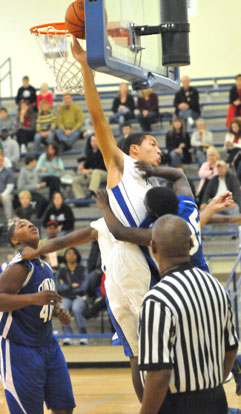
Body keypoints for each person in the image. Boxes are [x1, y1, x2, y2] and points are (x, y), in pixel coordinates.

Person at [138, 214, 238, 414]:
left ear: (153, 247)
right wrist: (212, 383)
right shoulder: (216, 286)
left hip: (177, 405)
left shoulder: (157, 299)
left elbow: (159, 373)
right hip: (217, 399)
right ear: (192, 243)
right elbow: (231, 347)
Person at [0, 219, 75, 413]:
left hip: (48, 345)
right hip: (20, 349)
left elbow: (45, 297)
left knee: (64, 407)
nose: (31, 225)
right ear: (14, 239)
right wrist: (33, 298)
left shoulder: (44, 266)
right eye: (22, 225)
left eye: (31, 223)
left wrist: (58, 310)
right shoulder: (19, 267)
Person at [56, 247, 88, 346]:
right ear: (65, 256)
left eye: (74, 253)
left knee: (76, 308)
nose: (71, 255)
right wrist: (72, 285)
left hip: (79, 296)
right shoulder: (61, 271)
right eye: (69, 253)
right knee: (62, 308)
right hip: (66, 297)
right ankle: (68, 335)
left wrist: (67, 286)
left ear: (77, 255)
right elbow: (59, 287)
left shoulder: (83, 269)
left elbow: (84, 285)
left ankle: (83, 336)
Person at [201, 160, 241, 236]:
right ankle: (207, 234)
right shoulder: (213, 180)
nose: (220, 169)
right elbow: (207, 193)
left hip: (228, 203)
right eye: (218, 168)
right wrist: (204, 202)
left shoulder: (232, 178)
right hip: (216, 205)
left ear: (226, 168)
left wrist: (234, 201)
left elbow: (237, 192)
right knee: (204, 210)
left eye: (222, 167)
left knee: (235, 208)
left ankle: (233, 233)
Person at [72, 134, 107, 199]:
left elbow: (103, 167)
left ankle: (92, 192)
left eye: (95, 141)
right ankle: (81, 198)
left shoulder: (104, 152)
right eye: (92, 141)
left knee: (96, 172)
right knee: (76, 180)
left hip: (105, 174)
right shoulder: (90, 153)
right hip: (94, 176)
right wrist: (82, 167)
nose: (93, 143)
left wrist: (89, 171)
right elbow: (87, 164)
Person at [0, 154, 14, 221]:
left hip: (6, 194)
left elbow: (10, 186)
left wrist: (2, 195)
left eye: (1, 160)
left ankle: (9, 220)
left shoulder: (8, 172)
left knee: (6, 198)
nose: (0, 161)